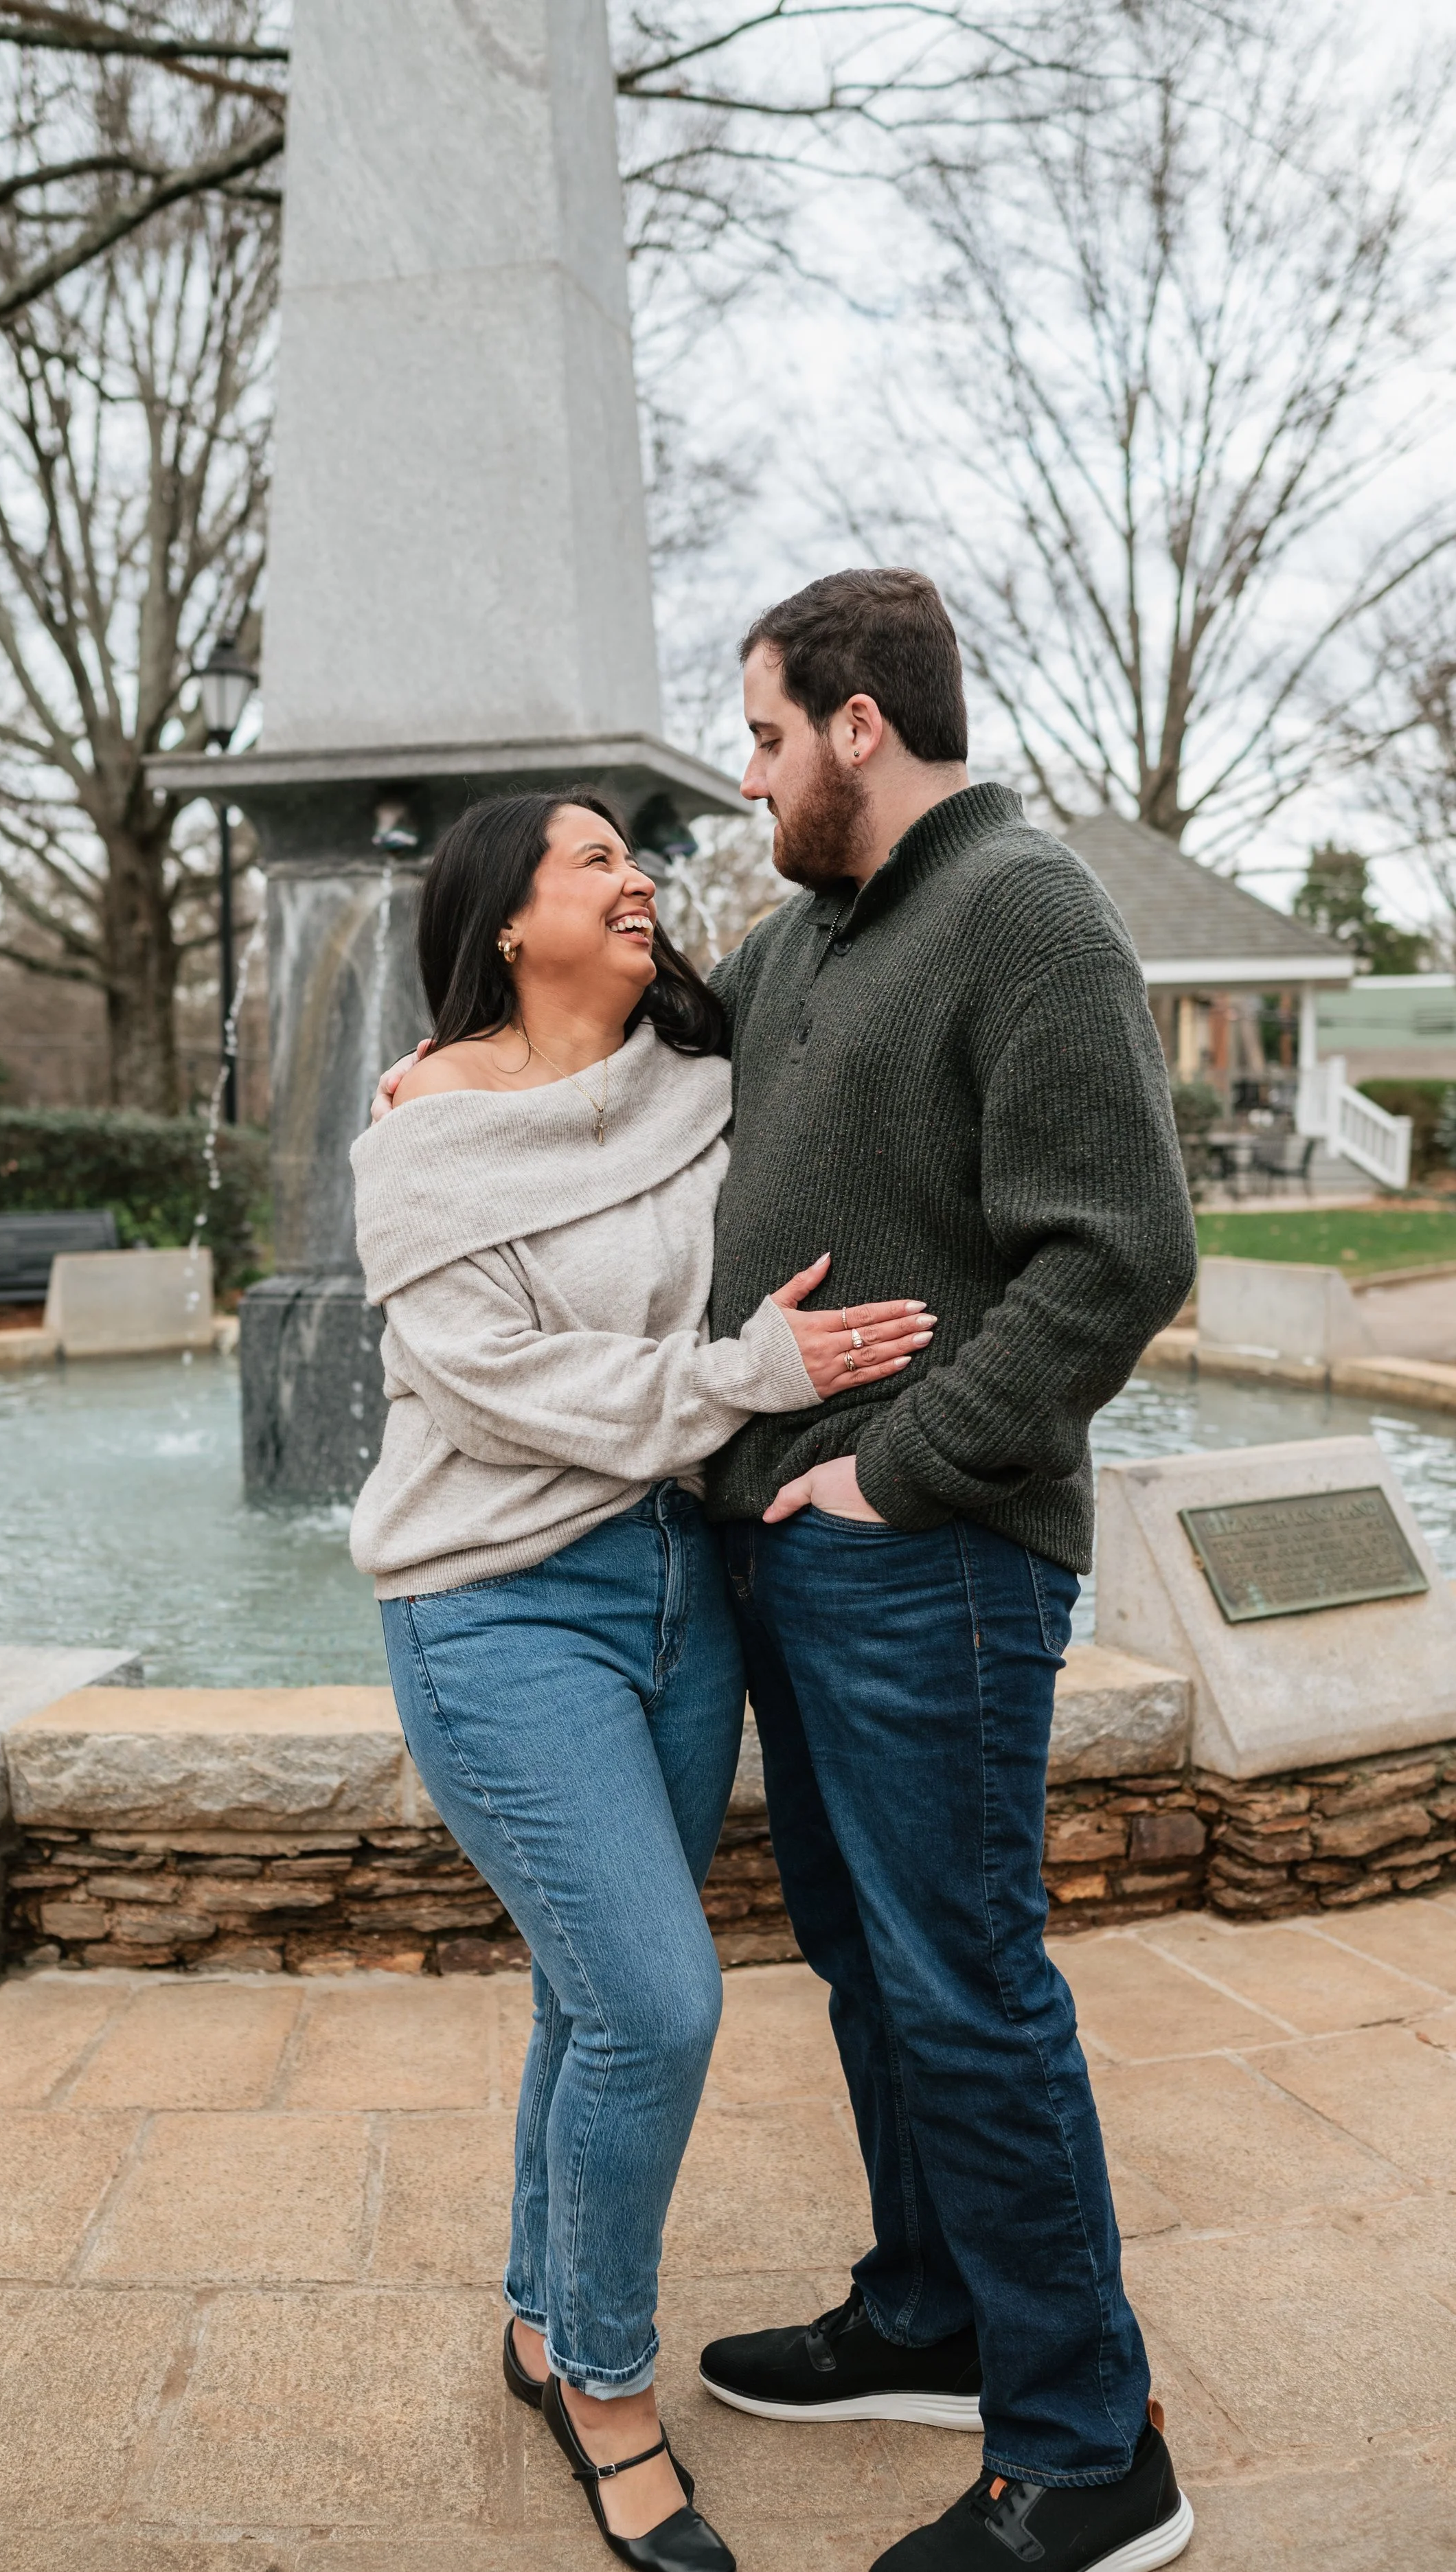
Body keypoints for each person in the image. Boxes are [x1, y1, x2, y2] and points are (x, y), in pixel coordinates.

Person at [347, 784, 937, 2572]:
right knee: (659, 2009)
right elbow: (490, 1385)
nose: (641, 881)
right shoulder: (420, 1138)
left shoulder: (701, 1078)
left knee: (592, 2004)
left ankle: (539, 2316)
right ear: (503, 918)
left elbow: (845, 1012)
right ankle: (604, 2388)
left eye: (640, 857)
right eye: (595, 859)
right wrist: (746, 1378)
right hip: (492, 1602)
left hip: (686, 1587)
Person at [690, 569, 1199, 2572]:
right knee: (869, 1965)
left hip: (932, 1560)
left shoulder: (1022, 908)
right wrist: (451, 1069)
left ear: (857, 726)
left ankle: (1090, 2451)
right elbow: (629, 1042)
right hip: (796, 1554)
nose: (746, 778)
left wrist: (901, 1474)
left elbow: (1120, 1247)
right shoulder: (808, 939)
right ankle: (929, 2312)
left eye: (758, 734)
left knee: (967, 1985)